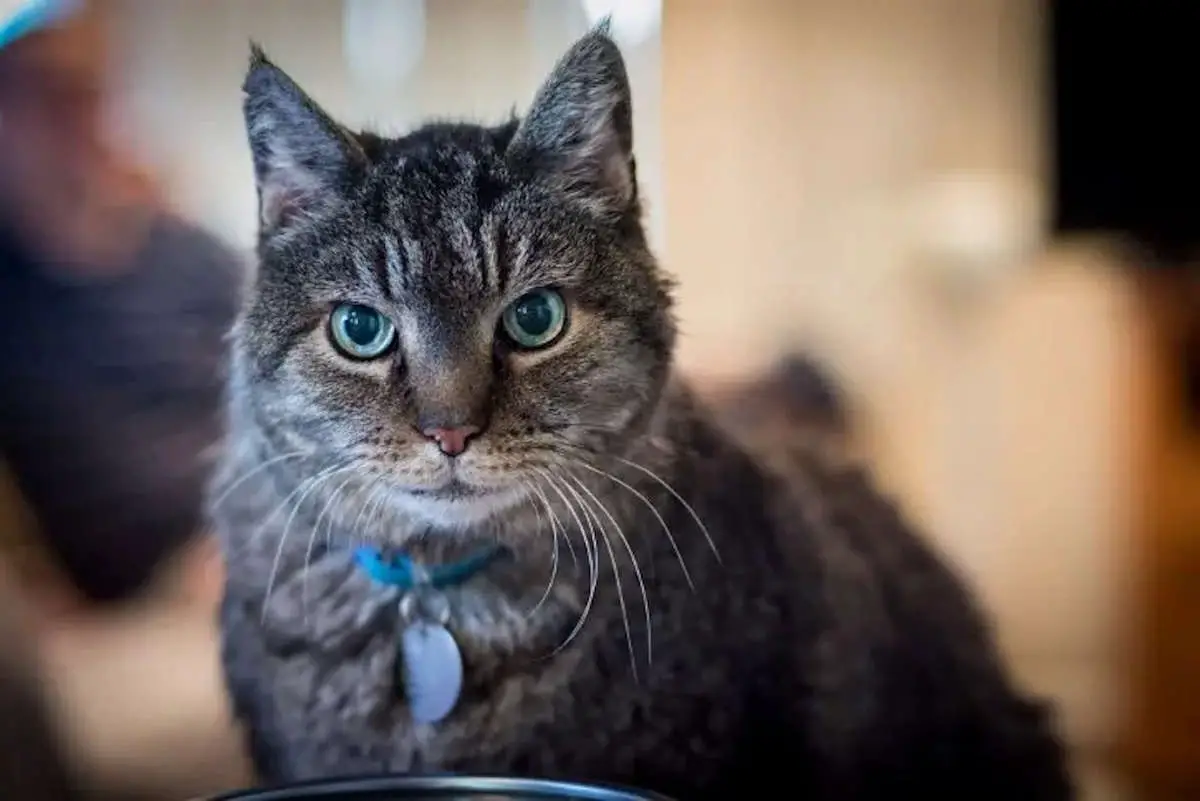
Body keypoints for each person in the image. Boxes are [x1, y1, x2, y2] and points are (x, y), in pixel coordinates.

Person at [0, 2, 252, 798]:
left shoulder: (189, 254)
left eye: (88, 93)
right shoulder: (9, 291)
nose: (75, 120)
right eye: (41, 97)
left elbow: (294, 391)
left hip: (268, 520)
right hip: (161, 581)